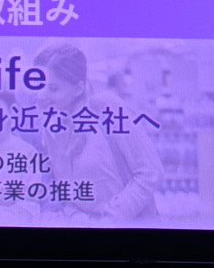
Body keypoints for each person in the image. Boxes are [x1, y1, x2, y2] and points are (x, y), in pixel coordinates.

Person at [33, 44, 163, 224]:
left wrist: (112, 218)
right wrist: (75, 216)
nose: (41, 96)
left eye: (53, 88)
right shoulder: (51, 128)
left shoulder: (106, 108)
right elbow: (66, 192)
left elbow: (150, 172)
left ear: (78, 89)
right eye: (38, 86)